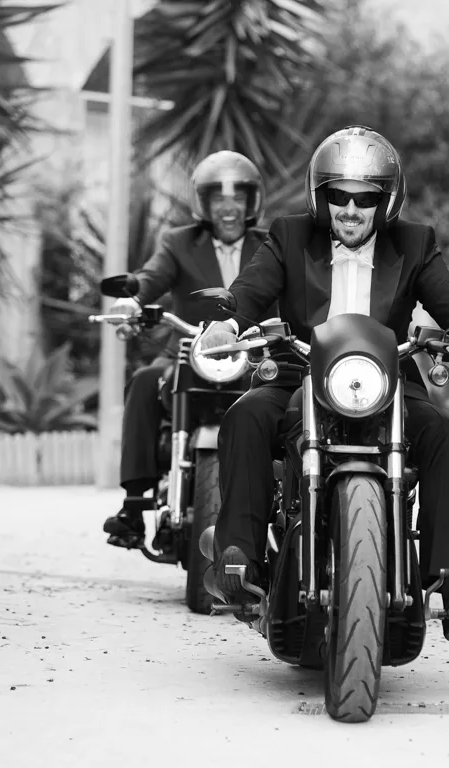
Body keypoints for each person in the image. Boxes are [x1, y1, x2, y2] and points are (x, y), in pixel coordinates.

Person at [196, 126, 449, 642]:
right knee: (245, 415)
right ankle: (240, 566)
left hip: (387, 382)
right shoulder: (290, 234)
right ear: (321, 198)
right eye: (338, 195)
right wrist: (227, 323)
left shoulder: (415, 241)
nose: (351, 209)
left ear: (387, 202)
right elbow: (251, 288)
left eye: (366, 199)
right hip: (300, 373)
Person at [101, 151, 268, 546]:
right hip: (189, 350)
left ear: (251, 202)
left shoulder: (270, 244)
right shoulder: (179, 242)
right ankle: (134, 505)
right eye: (219, 199)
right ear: (203, 204)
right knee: (145, 380)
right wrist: (131, 301)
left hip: (254, 354)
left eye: (238, 198)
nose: (229, 208)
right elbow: (151, 276)